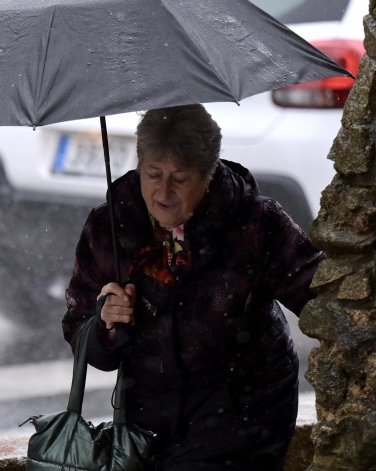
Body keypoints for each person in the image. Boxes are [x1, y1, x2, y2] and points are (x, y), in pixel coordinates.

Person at [62, 104, 324, 470]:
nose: (163, 192)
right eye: (153, 175)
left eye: (179, 178)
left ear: (209, 174)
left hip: (243, 408)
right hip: (149, 416)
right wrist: (106, 321)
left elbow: (320, 296)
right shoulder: (111, 226)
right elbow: (80, 327)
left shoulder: (255, 222)